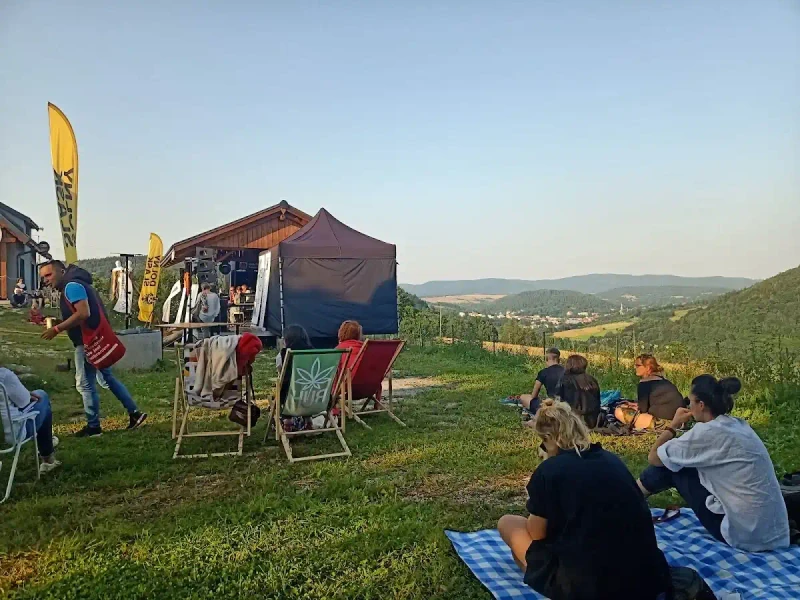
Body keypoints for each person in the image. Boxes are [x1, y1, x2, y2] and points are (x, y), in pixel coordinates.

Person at [498, 399, 672, 600]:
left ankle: (545, 582)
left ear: (550, 438)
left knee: (508, 524)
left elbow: (537, 535)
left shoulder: (549, 471)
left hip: (590, 585)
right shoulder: (611, 460)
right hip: (648, 577)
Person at [638, 375, 790, 551]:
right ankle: (633, 494)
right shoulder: (738, 425)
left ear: (701, 405)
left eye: (690, 401)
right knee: (679, 460)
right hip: (773, 533)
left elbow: (654, 457)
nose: (687, 405)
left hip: (744, 534)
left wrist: (673, 425)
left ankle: (629, 498)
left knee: (671, 467)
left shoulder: (706, 432)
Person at [38, 260, 147, 438]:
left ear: (62, 271)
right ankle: (135, 413)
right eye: (43, 277)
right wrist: (61, 322)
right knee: (107, 378)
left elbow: (83, 313)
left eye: (48, 275)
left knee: (84, 384)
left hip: (87, 342)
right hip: (95, 338)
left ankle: (94, 427)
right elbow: (81, 312)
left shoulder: (71, 286)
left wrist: (57, 329)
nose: (46, 280)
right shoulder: (78, 283)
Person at [0, 365, 60, 474]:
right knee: (42, 396)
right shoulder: (3, 375)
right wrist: (27, 395)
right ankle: (48, 459)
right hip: (11, 435)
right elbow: (24, 401)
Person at [614, 354, 685, 430]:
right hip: (681, 420)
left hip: (665, 423)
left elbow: (642, 410)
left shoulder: (644, 383)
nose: (635, 368)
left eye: (638, 365)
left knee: (619, 411)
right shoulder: (663, 380)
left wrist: (630, 407)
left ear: (648, 368)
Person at [275, 324, 314, 431]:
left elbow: (280, 371)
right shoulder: (315, 353)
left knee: (286, 385)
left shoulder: (282, 355)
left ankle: (288, 420)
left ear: (286, 340)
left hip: (289, 397)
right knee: (305, 386)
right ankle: (308, 419)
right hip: (313, 395)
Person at [335, 320, 382, 400]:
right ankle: (377, 404)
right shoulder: (367, 349)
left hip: (349, 388)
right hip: (371, 387)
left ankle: (334, 407)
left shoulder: (339, 350)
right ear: (358, 334)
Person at [552, 354, 601, 428]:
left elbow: (557, 400)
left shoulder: (565, 379)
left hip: (572, 421)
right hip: (592, 421)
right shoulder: (592, 380)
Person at [519, 347, 564, 414]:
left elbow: (534, 395)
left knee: (523, 397)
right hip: (565, 407)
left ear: (546, 359)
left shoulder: (543, 372)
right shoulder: (567, 372)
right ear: (559, 359)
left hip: (551, 407)